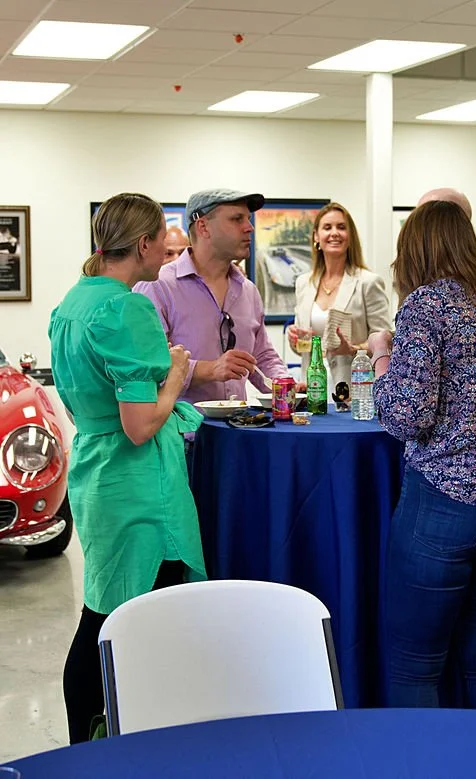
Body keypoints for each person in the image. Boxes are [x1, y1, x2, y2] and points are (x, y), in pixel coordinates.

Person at [367, 200, 476, 709]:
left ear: (414, 252)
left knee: (415, 666)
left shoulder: (425, 305)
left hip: (447, 505)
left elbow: (406, 416)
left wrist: (381, 354)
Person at [49, 193, 206, 743]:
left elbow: (81, 400)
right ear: (143, 244)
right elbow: (141, 425)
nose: (170, 245)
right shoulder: (126, 306)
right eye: (163, 236)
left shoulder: (73, 302)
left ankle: (94, 741)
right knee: (120, 622)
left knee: (103, 610)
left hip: (97, 472)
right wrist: (176, 376)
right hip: (140, 488)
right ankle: (109, 742)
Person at [135, 189, 288, 403]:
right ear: (203, 226)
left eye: (248, 219)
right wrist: (209, 370)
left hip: (239, 430)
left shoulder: (248, 291)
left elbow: (261, 357)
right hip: (182, 434)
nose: (249, 228)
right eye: (237, 219)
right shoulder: (157, 287)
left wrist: (286, 384)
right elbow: (146, 367)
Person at [287, 202, 390, 387]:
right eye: (327, 227)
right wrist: (295, 341)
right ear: (316, 237)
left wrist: (353, 349)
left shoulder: (368, 282)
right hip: (312, 389)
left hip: (354, 392)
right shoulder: (303, 283)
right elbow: (305, 347)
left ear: (350, 237)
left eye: (341, 227)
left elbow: (385, 344)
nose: (334, 233)